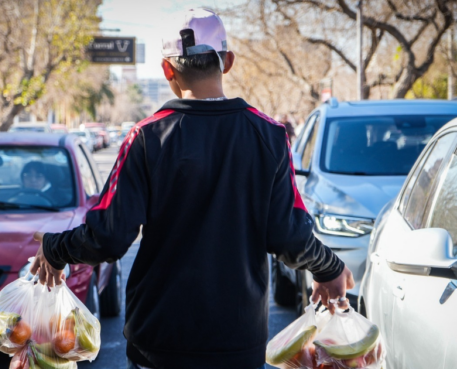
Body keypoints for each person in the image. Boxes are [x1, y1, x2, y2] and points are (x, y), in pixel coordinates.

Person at [31, 8, 354, 369]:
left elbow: (108, 236)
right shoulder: (270, 136)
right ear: (227, 61)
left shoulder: (145, 137)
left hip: (159, 344)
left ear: (167, 69)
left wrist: (55, 248)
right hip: (238, 344)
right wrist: (330, 268)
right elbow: (288, 235)